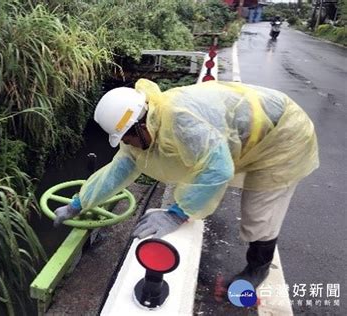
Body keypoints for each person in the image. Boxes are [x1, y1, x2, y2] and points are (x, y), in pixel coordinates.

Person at [53, 78, 319, 289]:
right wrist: (78, 203)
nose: (125, 143)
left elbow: (217, 171)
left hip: (283, 134)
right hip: (249, 131)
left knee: (260, 210)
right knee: (209, 173)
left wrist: (176, 214)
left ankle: (257, 268)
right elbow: (115, 172)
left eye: (126, 137)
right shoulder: (145, 127)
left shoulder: (182, 122)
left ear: (139, 125)